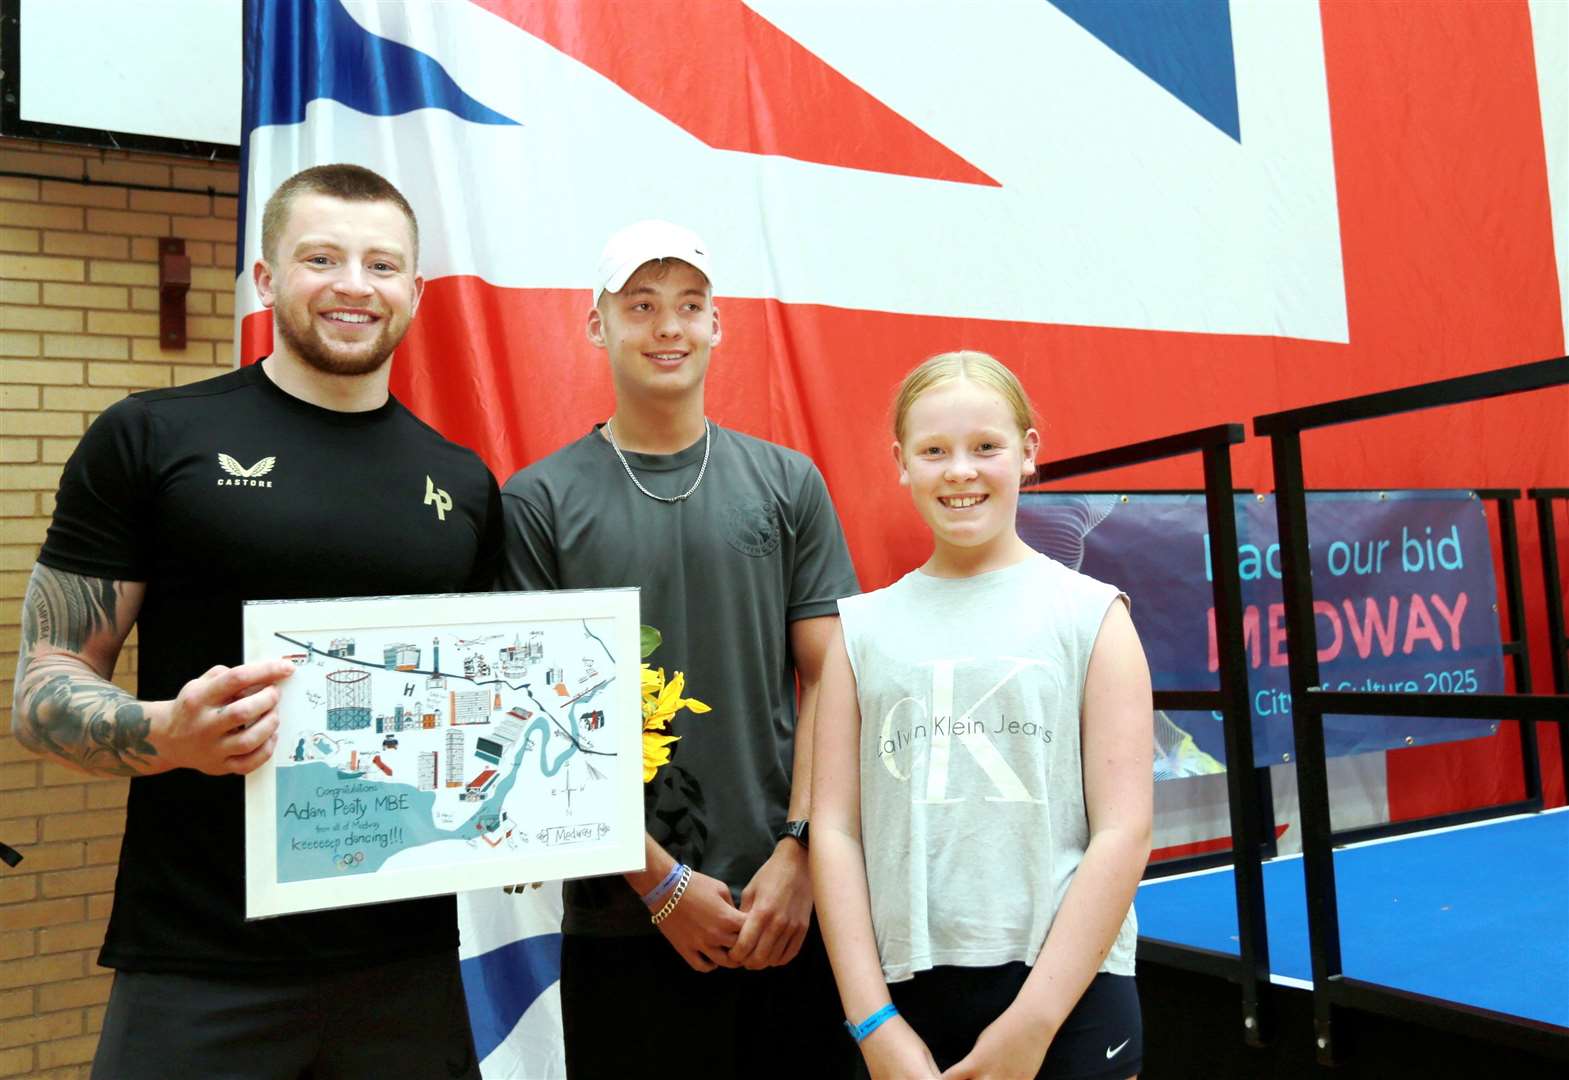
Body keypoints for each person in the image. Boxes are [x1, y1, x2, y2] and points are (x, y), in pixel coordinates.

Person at [10, 164, 501, 1079]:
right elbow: (42, 686)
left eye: (382, 265)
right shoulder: (152, 438)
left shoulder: (463, 482)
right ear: (267, 278)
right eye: (322, 257)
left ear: (415, 291)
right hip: (199, 965)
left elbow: (477, 705)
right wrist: (165, 734)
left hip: (406, 967)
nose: (355, 285)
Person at [499, 220, 860, 1077]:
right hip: (620, 918)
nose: (668, 327)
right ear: (598, 325)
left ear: (716, 324)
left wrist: (801, 852)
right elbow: (535, 720)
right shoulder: (538, 501)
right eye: (642, 306)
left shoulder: (787, 483)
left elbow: (833, 677)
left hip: (786, 908)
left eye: (689, 306)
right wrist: (657, 882)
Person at [811, 351, 1154, 1080]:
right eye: (934, 451)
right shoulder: (859, 631)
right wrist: (874, 1025)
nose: (959, 471)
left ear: (1028, 452)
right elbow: (834, 832)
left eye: (984, 447)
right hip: (905, 1006)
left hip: (1069, 995)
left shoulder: (1091, 616)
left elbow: (1124, 832)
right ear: (900, 462)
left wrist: (1031, 1025)